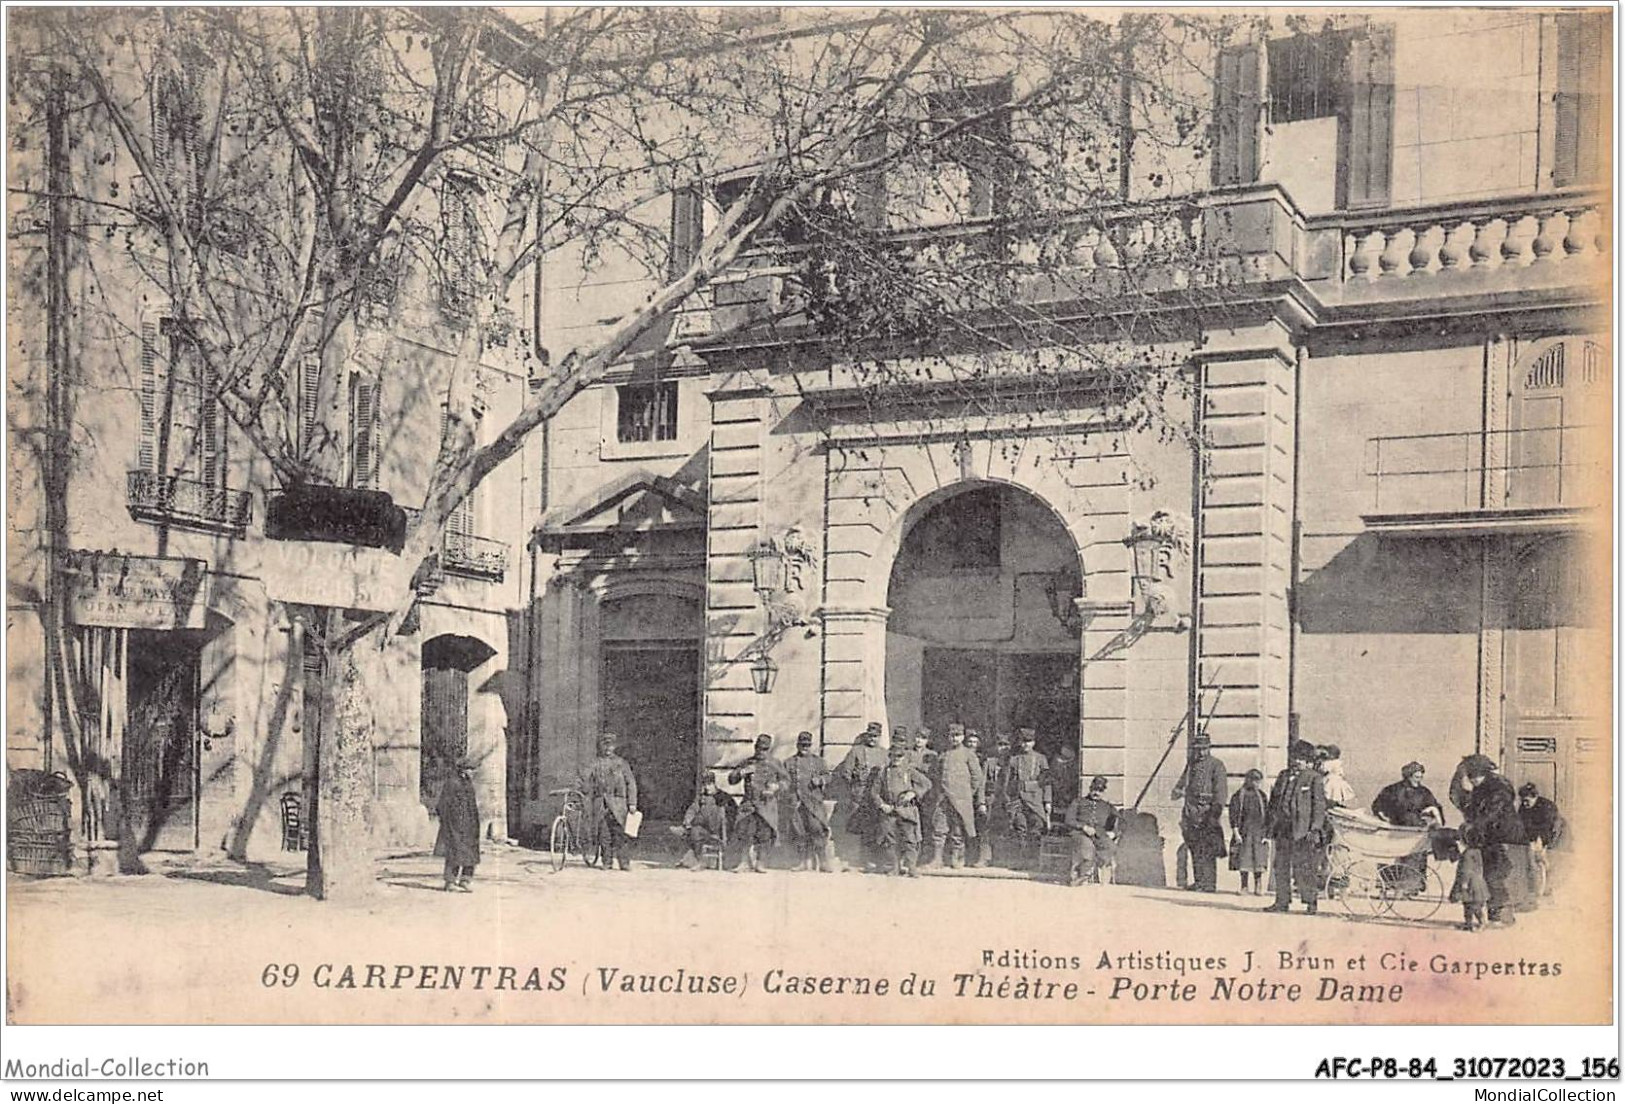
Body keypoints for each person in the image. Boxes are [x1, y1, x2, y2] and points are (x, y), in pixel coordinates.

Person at [1458, 755, 1526, 927]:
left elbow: (1490, 814)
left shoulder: (1497, 789)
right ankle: (1496, 917)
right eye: (1469, 776)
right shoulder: (1482, 788)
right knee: (1491, 875)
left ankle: (1503, 917)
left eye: (1473, 776)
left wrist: (1473, 826)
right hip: (1492, 838)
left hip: (1505, 838)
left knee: (1497, 876)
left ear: (1481, 773)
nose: (1470, 780)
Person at [1265, 740, 1327, 914]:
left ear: (1307, 761)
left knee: (1304, 867)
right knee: (1281, 866)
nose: (1296, 761)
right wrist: (1270, 825)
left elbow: (1319, 806)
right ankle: (1281, 902)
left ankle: (1310, 902)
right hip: (1282, 829)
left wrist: (1315, 828)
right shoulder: (1283, 776)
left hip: (1302, 831)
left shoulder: (1314, 778)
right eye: (1295, 757)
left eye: (1301, 758)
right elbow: (1273, 802)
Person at [1171, 732, 1228, 892]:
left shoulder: (1217, 765)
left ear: (1209, 748)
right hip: (1191, 813)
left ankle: (1209, 884)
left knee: (1208, 849)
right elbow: (1180, 785)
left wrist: (1214, 815)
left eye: (1204, 749)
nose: (1201, 753)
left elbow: (1221, 793)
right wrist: (1178, 791)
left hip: (1207, 813)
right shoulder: (1192, 765)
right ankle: (1199, 881)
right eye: (1198, 749)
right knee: (1194, 848)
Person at [728, 733, 791, 873]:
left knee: (765, 834)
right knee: (745, 831)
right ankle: (744, 862)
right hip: (749, 803)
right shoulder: (747, 762)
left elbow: (787, 781)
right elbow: (731, 779)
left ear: (769, 749)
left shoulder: (775, 763)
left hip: (767, 804)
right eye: (759, 748)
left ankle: (760, 863)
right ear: (755, 747)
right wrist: (741, 773)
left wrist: (776, 787)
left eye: (765, 749)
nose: (761, 752)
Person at [926, 723, 985, 869]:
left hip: (961, 800)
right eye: (952, 736)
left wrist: (966, 793)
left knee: (958, 830)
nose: (955, 739)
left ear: (963, 737)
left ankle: (957, 858)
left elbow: (977, 777)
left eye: (958, 736)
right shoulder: (944, 755)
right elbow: (937, 775)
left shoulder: (969, 754)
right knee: (939, 828)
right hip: (944, 798)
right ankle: (937, 859)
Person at [870, 743, 932, 876]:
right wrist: (882, 805)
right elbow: (874, 793)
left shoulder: (909, 771)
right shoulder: (883, 772)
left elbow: (927, 783)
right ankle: (895, 867)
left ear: (903, 757)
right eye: (893, 756)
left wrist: (914, 793)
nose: (896, 758)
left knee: (910, 840)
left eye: (899, 756)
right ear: (889, 756)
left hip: (906, 810)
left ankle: (911, 868)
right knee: (890, 841)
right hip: (890, 811)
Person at [834, 722, 888, 871]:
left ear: (880, 737)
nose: (872, 739)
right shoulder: (856, 751)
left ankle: (877, 859)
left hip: (877, 797)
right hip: (860, 796)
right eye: (870, 736)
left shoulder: (885, 753)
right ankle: (860, 859)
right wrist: (855, 782)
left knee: (878, 828)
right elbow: (845, 772)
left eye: (875, 736)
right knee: (860, 827)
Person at [583, 733, 639, 871]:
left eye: (611, 745)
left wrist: (632, 803)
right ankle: (606, 862)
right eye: (605, 745)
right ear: (601, 747)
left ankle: (624, 863)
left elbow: (631, 783)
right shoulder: (595, 764)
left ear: (615, 747)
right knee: (604, 835)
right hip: (601, 804)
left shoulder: (622, 764)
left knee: (621, 835)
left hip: (619, 805)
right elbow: (585, 778)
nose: (608, 748)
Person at [1000, 729, 1051, 868]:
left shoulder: (1041, 759)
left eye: (1028, 742)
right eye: (1023, 742)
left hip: (1036, 800)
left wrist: (1048, 801)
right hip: (1018, 800)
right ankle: (1021, 860)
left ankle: (1034, 860)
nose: (1025, 745)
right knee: (1020, 828)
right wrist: (1008, 799)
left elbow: (1046, 782)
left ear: (1033, 742)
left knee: (1036, 828)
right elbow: (1007, 782)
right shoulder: (1014, 760)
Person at [784, 731, 833, 872]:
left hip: (813, 802)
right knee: (799, 832)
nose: (805, 748)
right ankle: (802, 862)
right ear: (797, 745)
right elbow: (784, 781)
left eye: (807, 745)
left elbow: (828, 777)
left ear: (811, 745)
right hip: (797, 802)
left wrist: (821, 780)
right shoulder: (789, 762)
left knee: (817, 829)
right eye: (802, 745)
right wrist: (790, 797)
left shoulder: (818, 761)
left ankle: (823, 861)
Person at [434, 758, 480, 892]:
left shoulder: (468, 784)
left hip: (469, 825)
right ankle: (450, 881)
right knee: (454, 853)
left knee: (471, 853)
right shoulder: (452, 783)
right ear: (463, 770)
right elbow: (442, 805)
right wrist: (448, 823)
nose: (473, 772)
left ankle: (465, 880)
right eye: (471, 769)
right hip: (455, 825)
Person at [1064, 775, 1118, 886]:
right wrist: (1083, 827)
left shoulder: (1107, 806)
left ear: (1104, 792)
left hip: (1099, 835)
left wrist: (1114, 832)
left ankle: (1102, 877)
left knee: (1110, 847)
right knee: (1087, 848)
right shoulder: (1078, 802)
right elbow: (1069, 820)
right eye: (1094, 789)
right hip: (1080, 833)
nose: (1096, 793)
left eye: (1100, 790)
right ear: (1090, 789)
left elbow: (1121, 822)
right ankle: (1081, 877)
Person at [1227, 768, 1269, 895]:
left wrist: (1266, 834)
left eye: (1258, 782)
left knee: (1258, 860)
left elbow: (1267, 815)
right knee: (1243, 860)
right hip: (1244, 833)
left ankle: (1258, 885)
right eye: (1254, 781)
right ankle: (1244, 886)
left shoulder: (1262, 796)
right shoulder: (1239, 796)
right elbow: (1233, 815)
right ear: (1248, 780)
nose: (1257, 784)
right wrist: (1236, 833)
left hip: (1258, 833)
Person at [1519, 782, 1562, 899]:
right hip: (1533, 839)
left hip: (1551, 837)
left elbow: (1551, 827)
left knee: (1543, 862)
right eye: (1523, 800)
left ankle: (1547, 889)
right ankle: (1535, 889)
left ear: (1535, 797)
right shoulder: (1524, 807)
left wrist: (1542, 843)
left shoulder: (1547, 807)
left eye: (1527, 800)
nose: (1524, 803)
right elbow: (1522, 824)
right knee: (1532, 862)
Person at [676, 776, 728, 871]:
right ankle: (690, 857)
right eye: (704, 784)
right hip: (702, 828)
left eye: (709, 784)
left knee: (694, 831)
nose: (707, 787)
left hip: (715, 831)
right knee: (693, 831)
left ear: (715, 784)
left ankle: (699, 861)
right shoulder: (702, 797)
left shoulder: (722, 798)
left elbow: (725, 817)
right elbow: (692, 809)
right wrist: (687, 821)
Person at [1372, 762, 1445, 827]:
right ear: (1408, 776)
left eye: (1421, 777)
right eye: (1416, 777)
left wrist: (1432, 810)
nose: (1419, 780)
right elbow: (1378, 805)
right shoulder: (1394, 789)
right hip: (1398, 824)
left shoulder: (1424, 791)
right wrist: (1383, 817)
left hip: (1419, 824)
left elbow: (1435, 806)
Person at [964, 732, 995, 867]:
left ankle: (988, 857)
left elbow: (981, 781)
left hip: (987, 797)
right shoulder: (962, 757)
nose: (972, 745)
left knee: (986, 827)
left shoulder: (983, 759)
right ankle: (973, 856)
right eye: (970, 742)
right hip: (968, 795)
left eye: (975, 742)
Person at [1317, 744, 1357, 809]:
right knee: (1336, 793)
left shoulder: (1330, 762)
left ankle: (1331, 805)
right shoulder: (1338, 762)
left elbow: (1323, 770)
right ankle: (1335, 803)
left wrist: (1321, 765)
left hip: (1332, 780)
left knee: (1330, 792)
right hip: (1338, 780)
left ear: (1331, 755)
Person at [1049, 744, 1081, 814]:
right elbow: (1052, 778)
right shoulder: (1055, 764)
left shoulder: (1073, 766)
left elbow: (1074, 780)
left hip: (1069, 799)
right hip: (1058, 799)